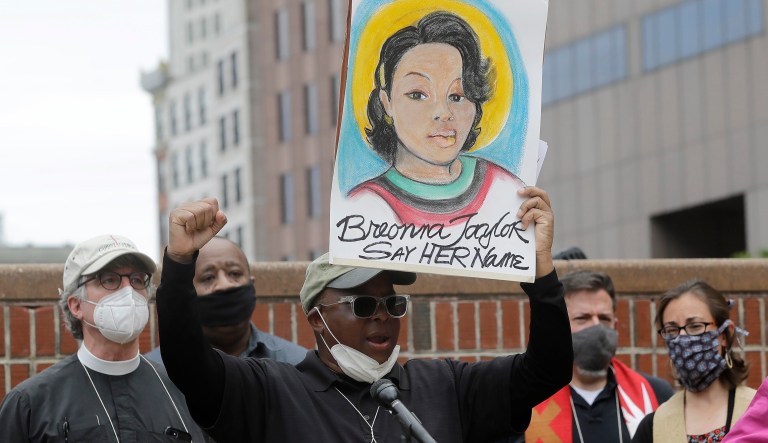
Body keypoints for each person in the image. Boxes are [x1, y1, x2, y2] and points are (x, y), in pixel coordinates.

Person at [155, 187, 572, 442]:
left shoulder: (444, 385)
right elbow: (188, 364)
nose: (383, 317)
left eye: (393, 303)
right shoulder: (270, 390)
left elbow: (548, 370)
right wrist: (178, 264)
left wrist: (540, 274)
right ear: (317, 317)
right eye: (363, 304)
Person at [0, 234, 208, 442]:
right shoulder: (31, 404)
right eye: (109, 280)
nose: (128, 291)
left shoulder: (183, 392)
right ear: (76, 305)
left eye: (137, 280)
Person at [350, 11, 525, 226]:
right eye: (418, 95)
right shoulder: (364, 209)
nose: (444, 112)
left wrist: (540, 255)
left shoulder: (505, 190)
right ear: (387, 103)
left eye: (457, 96)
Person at [517, 271, 674, 443]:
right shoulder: (527, 404)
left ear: (615, 325)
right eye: (582, 318)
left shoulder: (655, 394)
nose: (597, 327)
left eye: (604, 318)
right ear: (559, 327)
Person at [145, 236, 307, 365]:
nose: (224, 285)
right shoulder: (157, 372)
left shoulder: (297, 364)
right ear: (187, 294)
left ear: (252, 284)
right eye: (208, 277)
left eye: (234, 274)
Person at [632, 280, 755, 443]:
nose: (683, 338)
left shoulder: (758, 410)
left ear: (724, 335)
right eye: (672, 330)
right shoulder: (653, 427)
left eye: (695, 326)